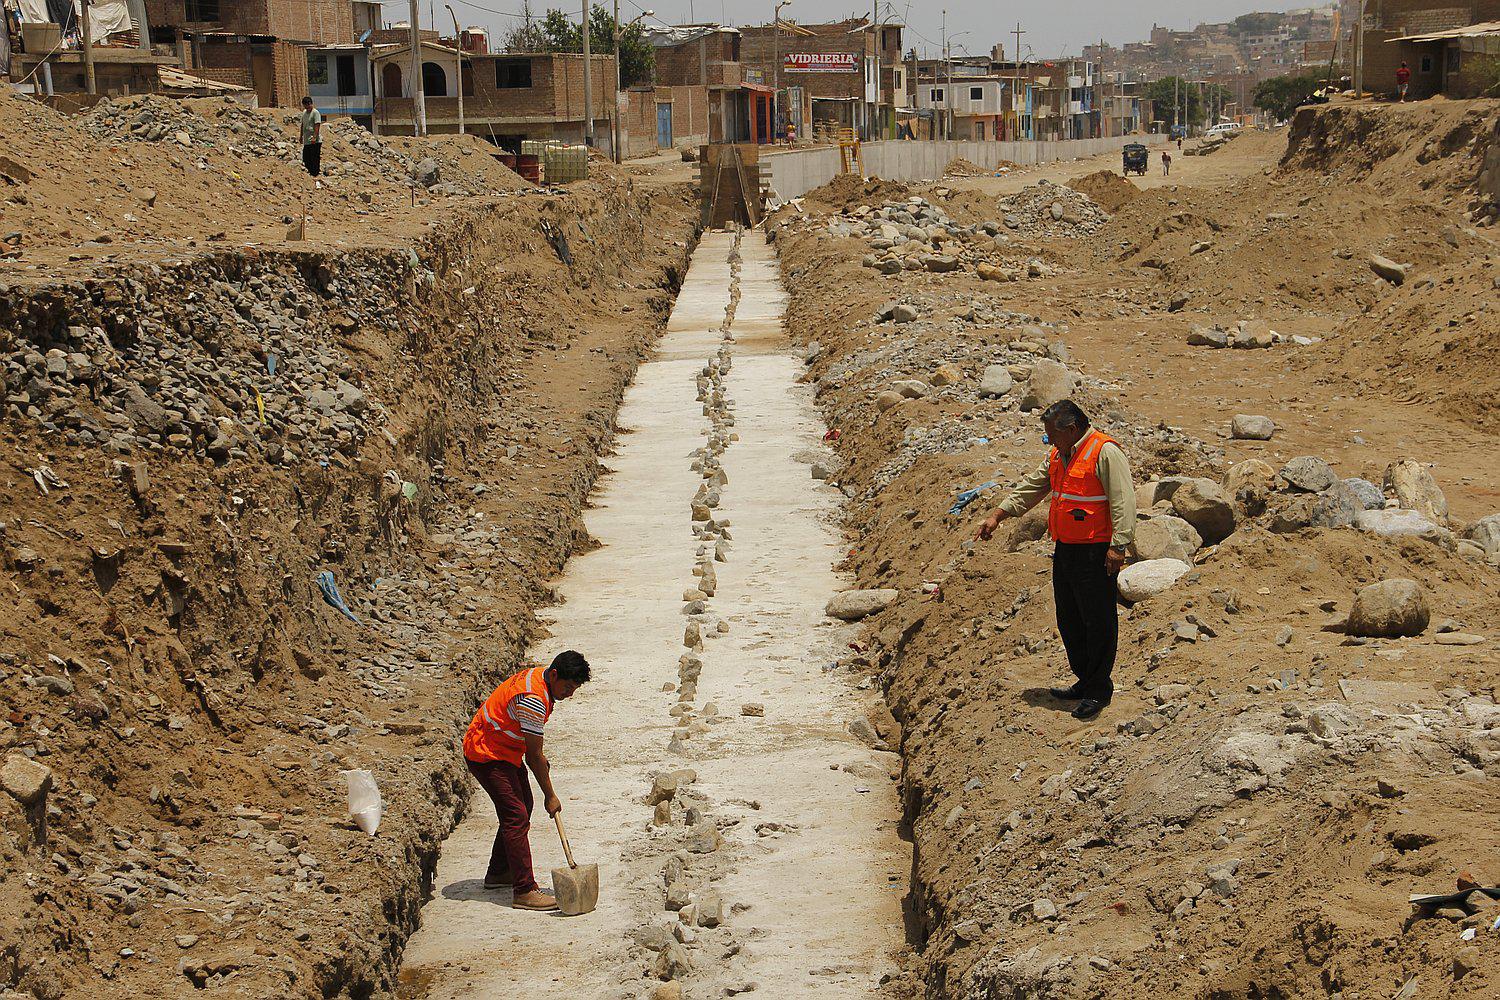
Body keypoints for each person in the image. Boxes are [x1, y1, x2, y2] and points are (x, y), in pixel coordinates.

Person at [973, 400, 1136, 721]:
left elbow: (1124, 501)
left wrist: (1118, 547)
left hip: (1096, 550)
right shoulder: (1059, 455)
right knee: (1070, 618)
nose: (1047, 440)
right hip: (1066, 549)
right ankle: (1085, 679)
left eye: (1050, 435)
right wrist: (999, 514)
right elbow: (1032, 487)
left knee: (1098, 620)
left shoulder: (1105, 453)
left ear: (1071, 429)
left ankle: (1098, 691)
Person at [462, 650, 591, 910]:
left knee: (523, 805)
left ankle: (500, 872)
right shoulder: (533, 699)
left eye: (574, 689)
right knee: (516, 815)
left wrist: (540, 767)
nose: (570, 694)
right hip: (486, 752)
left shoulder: (541, 677)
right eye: (567, 687)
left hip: (504, 749)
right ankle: (523, 890)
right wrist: (551, 795)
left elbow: (535, 753)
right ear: (554, 675)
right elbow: (534, 757)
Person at [299, 96, 322, 177]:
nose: (307, 108)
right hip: (306, 140)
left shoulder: (315, 112)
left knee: (314, 157)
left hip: (314, 141)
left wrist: (314, 137)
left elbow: (317, 124)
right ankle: (309, 172)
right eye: (305, 106)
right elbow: (302, 125)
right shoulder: (304, 112)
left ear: (311, 104)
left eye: (308, 105)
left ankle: (315, 173)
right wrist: (301, 136)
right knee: (306, 157)